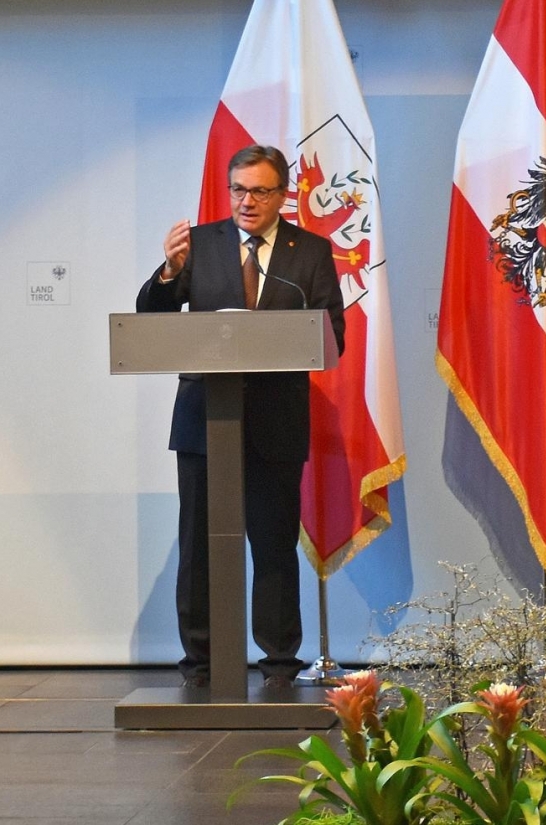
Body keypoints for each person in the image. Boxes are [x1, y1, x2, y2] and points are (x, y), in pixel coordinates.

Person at [137, 145, 346, 689]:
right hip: (206, 420)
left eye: (258, 191)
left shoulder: (312, 252)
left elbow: (333, 337)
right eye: (237, 189)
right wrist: (168, 272)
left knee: (274, 545)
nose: (245, 201)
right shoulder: (199, 247)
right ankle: (201, 665)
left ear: (283, 196)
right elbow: (152, 318)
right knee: (200, 546)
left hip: (276, 421)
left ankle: (279, 665)